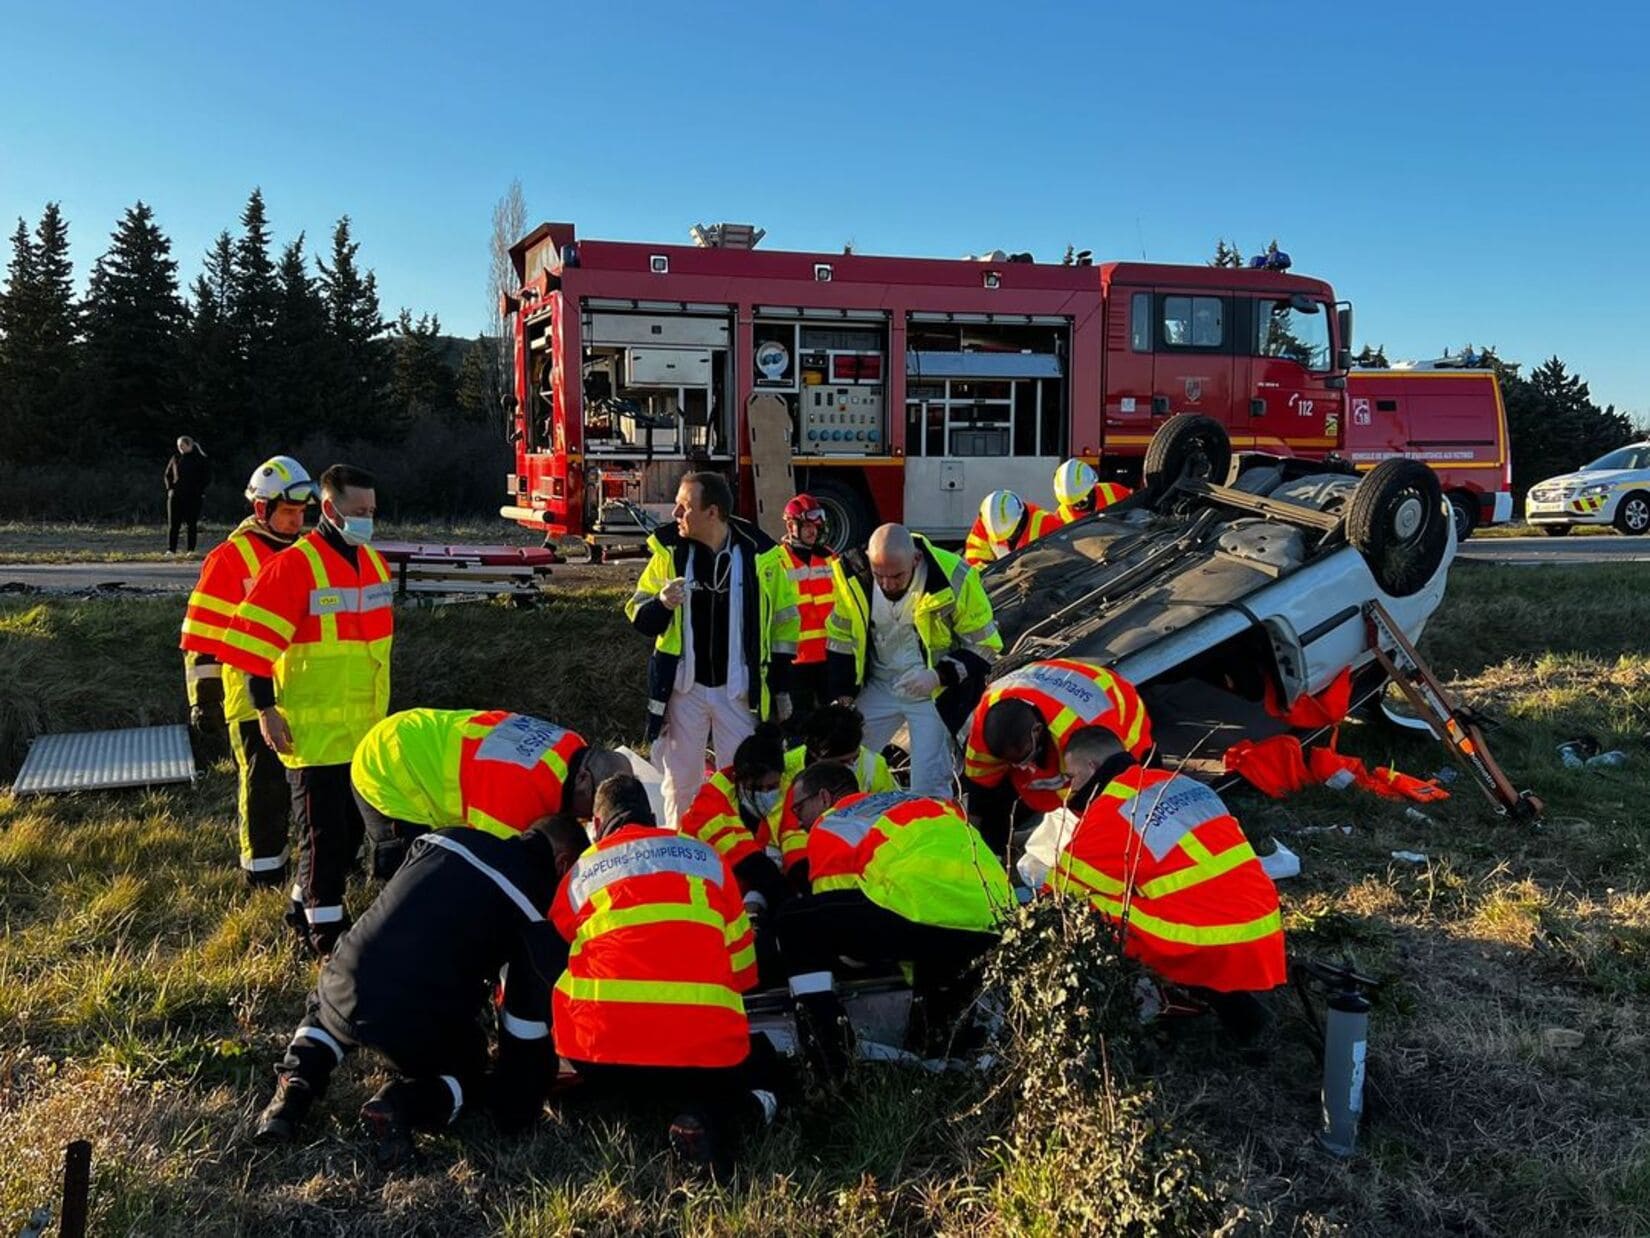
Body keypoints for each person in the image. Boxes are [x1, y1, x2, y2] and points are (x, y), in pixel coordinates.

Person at [253, 815, 587, 1164]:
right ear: (563, 863)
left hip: (345, 976)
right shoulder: (533, 910)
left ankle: (295, 1085)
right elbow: (523, 1018)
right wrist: (520, 1098)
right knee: (468, 1070)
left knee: (324, 1013)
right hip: (412, 1020)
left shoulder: (443, 840)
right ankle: (398, 1105)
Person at [550, 775, 779, 1176]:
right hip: (701, 1058)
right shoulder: (708, 860)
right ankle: (710, 1119)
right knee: (766, 1067)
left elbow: (553, 953)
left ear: (597, 826)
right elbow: (744, 973)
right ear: (653, 817)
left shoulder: (582, 872)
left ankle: (609, 1101)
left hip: (600, 1058)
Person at [219, 464, 393, 955]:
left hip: (362, 730)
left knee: (349, 832)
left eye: (373, 512)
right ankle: (326, 935)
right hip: (311, 732)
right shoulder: (294, 566)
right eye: (358, 512)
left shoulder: (371, 562)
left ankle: (302, 907)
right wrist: (265, 711)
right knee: (324, 837)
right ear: (331, 510)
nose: (367, 520)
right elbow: (252, 645)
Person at [1045, 726, 1285, 1041]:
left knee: (1087, 909)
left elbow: (1057, 895)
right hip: (1265, 924)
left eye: (1072, 777)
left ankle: (1185, 993)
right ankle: (1224, 997)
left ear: (1092, 768)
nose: (1070, 788)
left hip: (1214, 943)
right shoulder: (1181, 783)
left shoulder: (1110, 810)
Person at [775, 767, 1013, 1077]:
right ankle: (941, 1046)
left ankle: (830, 1058)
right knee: (932, 1033)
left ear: (823, 798)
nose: (798, 822)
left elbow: (844, 940)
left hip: (924, 911)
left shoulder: (834, 822)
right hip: (992, 916)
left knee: (795, 921)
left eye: (798, 809)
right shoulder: (917, 801)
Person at [624, 470, 801, 826]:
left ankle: (738, 855)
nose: (674, 515)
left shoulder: (761, 557)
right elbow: (639, 616)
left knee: (740, 782)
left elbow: (784, 625)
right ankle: (682, 850)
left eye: (684, 506)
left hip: (739, 692)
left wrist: (780, 688)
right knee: (679, 784)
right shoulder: (670, 553)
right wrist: (662, 604)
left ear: (713, 512)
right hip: (683, 691)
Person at [178, 455, 316, 885]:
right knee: (263, 789)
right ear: (262, 509)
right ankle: (262, 873)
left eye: (301, 513)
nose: (296, 521)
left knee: (305, 789)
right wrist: (205, 700)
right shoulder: (231, 558)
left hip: (303, 692)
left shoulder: (307, 554)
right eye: (289, 512)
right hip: (248, 699)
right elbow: (202, 637)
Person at [349, 707, 631, 878]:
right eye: (593, 808)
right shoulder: (515, 800)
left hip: (417, 732)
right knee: (411, 876)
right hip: (389, 765)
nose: (589, 820)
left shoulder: (573, 744)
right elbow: (490, 870)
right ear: (583, 779)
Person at [824, 523, 999, 797]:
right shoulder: (853, 577)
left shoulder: (955, 576)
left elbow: (985, 646)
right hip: (879, 685)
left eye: (896, 576)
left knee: (929, 783)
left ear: (916, 559)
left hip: (932, 692)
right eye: (879, 575)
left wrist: (939, 676)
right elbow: (841, 638)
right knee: (840, 759)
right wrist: (843, 697)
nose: (887, 584)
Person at [961, 658, 1154, 853]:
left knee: (1128, 797)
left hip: (1116, 707)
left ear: (1037, 731)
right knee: (995, 794)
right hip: (1049, 686)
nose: (1021, 767)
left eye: (1024, 758)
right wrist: (974, 844)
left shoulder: (1084, 731)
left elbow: (1095, 795)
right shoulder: (986, 721)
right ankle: (1001, 849)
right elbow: (979, 788)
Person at [765, 703, 896, 882]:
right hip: (798, 863)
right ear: (817, 754)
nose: (852, 765)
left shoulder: (874, 765)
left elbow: (892, 819)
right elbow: (776, 832)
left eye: (855, 757)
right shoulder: (786, 771)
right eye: (843, 761)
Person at [676, 722, 792, 913]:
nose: (766, 793)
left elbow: (796, 848)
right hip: (700, 893)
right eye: (755, 789)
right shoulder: (710, 804)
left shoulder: (787, 790)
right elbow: (748, 862)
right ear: (737, 780)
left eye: (772, 787)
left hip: (749, 884)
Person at [775, 493, 841, 726]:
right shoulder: (777, 561)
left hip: (829, 657)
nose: (813, 531)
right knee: (797, 726)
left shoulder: (830, 558)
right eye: (807, 526)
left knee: (831, 725)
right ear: (791, 526)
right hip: (795, 662)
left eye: (816, 526)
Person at [962, 489, 1059, 568]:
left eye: (1013, 534)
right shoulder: (987, 522)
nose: (1008, 540)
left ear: (1021, 520)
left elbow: (1061, 561)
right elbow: (974, 560)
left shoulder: (1048, 522)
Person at [163, 435, 211, 555]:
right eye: (179, 447)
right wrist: (170, 488)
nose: (180, 449)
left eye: (182, 446)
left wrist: (199, 490)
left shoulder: (200, 459)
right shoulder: (176, 458)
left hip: (193, 497)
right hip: (176, 495)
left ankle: (190, 550)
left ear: (189, 445)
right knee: (173, 524)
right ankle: (171, 549)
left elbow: (206, 478)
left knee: (191, 524)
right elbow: (167, 474)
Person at [1052, 458, 1133, 525]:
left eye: (1082, 500)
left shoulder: (1115, 491)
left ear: (1091, 489)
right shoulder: (1061, 517)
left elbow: (1137, 511)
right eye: (1074, 504)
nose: (1079, 506)